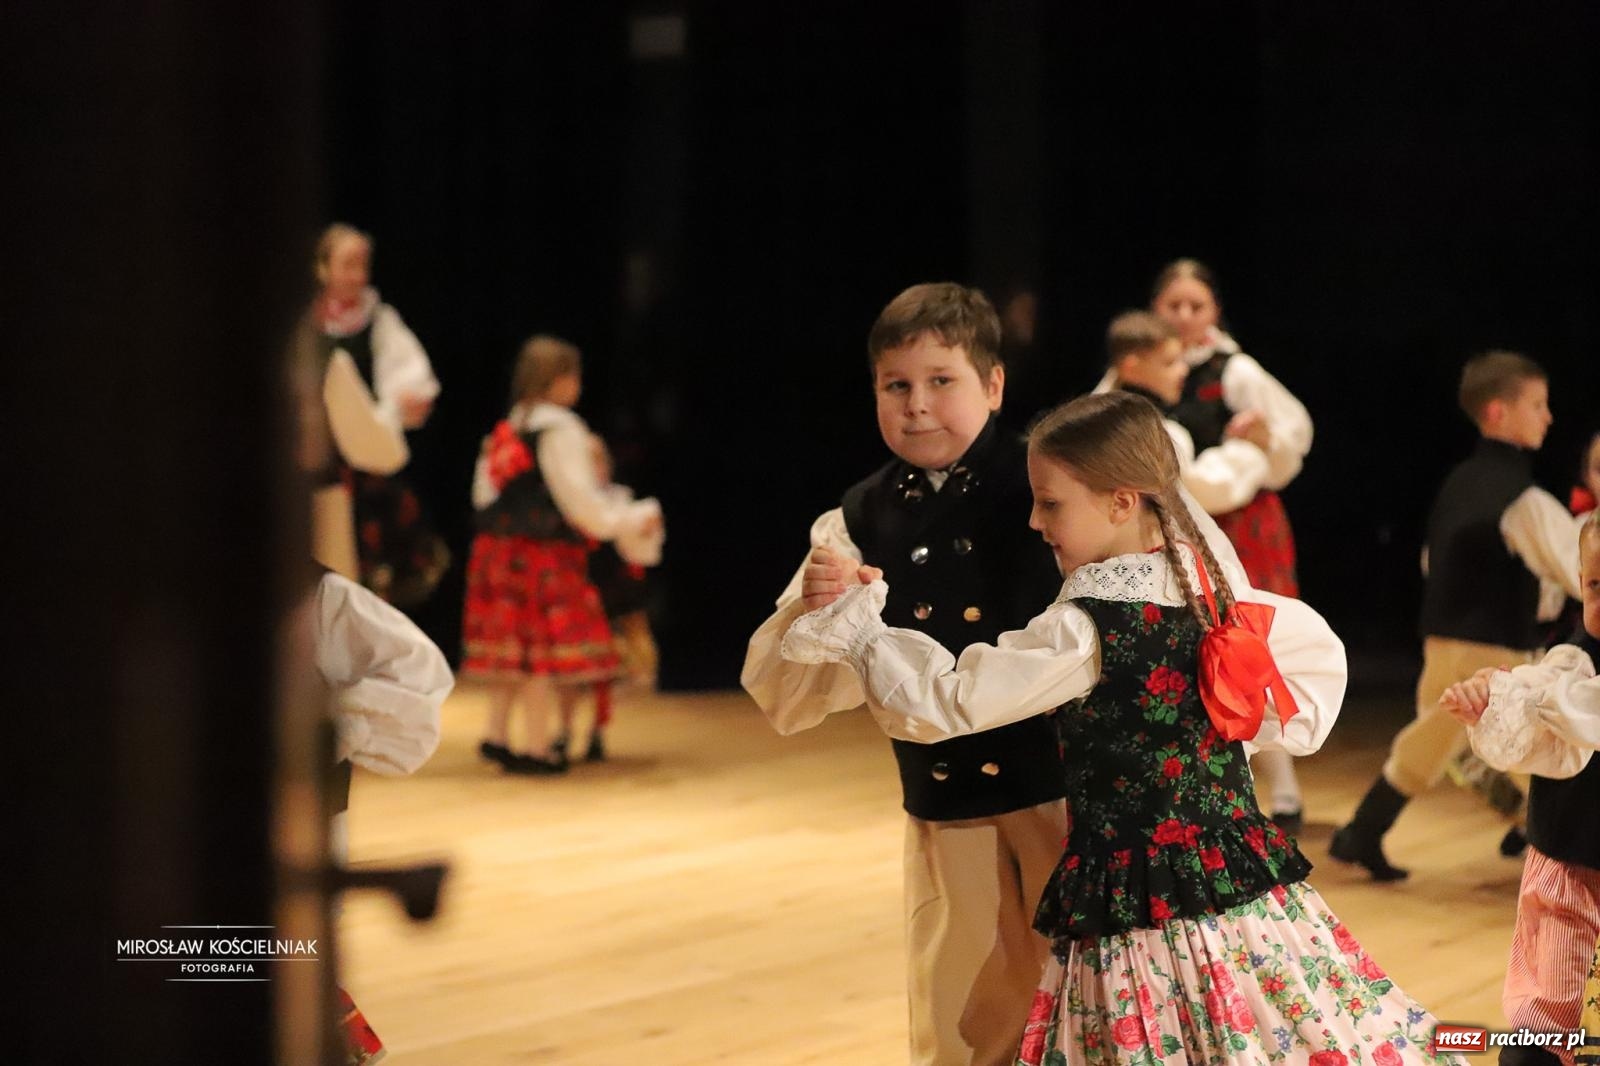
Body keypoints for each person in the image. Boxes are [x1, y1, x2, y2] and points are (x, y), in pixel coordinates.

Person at [783, 391, 1464, 1065]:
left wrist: (862, 629)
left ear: (1120, 501)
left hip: (1139, 909)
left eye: (1050, 503)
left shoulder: (1084, 630)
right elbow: (1300, 689)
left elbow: (946, 703)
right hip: (1236, 889)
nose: (1032, 520)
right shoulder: (1208, 593)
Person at [742, 282, 1069, 1066]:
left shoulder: (1052, 480)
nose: (917, 405)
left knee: (1079, 998)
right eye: (896, 386)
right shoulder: (859, 516)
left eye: (941, 381)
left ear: (993, 384)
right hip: (946, 803)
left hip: (1067, 794)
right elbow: (785, 687)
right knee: (958, 1008)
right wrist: (814, 613)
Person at [1333, 352, 1582, 881]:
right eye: (1537, 405)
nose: (1548, 417)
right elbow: (1575, 567)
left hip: (1444, 634)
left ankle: (1363, 830)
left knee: (1433, 738)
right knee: (1530, 747)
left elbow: (1431, 560)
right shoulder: (1524, 499)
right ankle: (1567, 852)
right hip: (1494, 644)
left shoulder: (1459, 483)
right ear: (1497, 412)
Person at [1151, 259, 1313, 829]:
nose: (1185, 316)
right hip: (1169, 524)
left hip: (1238, 523)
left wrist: (1265, 442)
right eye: (1174, 305)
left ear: (1214, 310)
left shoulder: (1234, 369)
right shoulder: (1140, 371)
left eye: (1196, 305)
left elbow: (1290, 437)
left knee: (1246, 647)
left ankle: (1283, 787)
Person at [1442, 512, 1600, 1066]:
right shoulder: (1571, 665)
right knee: (1545, 1019)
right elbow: (1540, 699)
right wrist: (1495, 697)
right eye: (1597, 586)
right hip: (1569, 865)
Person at [463, 335, 662, 774]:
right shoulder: (561, 429)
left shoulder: (508, 427)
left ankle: (497, 734)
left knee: (511, 650)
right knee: (538, 654)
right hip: (541, 553)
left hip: (497, 548)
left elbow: (483, 494)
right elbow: (580, 502)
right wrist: (624, 521)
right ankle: (536, 748)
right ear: (559, 379)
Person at [312, 223, 447, 605]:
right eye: (347, 265)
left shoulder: (378, 321)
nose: (357, 276)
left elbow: (411, 380)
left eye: (363, 265)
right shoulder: (307, 322)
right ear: (322, 268)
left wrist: (395, 408)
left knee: (366, 571)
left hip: (364, 471)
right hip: (314, 464)